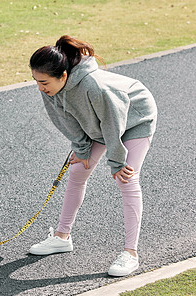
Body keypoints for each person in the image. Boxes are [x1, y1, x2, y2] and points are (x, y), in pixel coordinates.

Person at [28, 35, 157, 277]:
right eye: (35, 80)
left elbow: (113, 121)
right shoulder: (50, 88)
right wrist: (82, 150)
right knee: (78, 170)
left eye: (43, 82)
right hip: (99, 122)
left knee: (126, 178)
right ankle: (61, 237)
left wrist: (117, 161)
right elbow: (64, 120)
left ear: (63, 76)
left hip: (135, 118)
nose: (39, 87)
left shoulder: (94, 86)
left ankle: (130, 253)